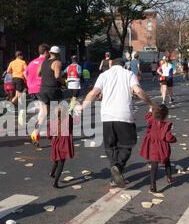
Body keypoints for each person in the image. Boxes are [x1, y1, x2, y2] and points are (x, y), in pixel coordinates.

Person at [76, 58, 158, 187]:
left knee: (111, 147)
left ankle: (114, 176)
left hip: (107, 116)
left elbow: (93, 93)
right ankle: (118, 168)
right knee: (126, 145)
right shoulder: (129, 74)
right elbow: (138, 91)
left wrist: (82, 106)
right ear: (124, 65)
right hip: (124, 115)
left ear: (110, 65)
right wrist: (151, 103)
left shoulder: (103, 75)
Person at [31, 46, 64, 147]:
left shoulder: (43, 62)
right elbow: (57, 76)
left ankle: (35, 133)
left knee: (44, 113)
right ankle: (54, 136)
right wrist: (64, 82)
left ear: (50, 52)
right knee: (57, 113)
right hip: (53, 90)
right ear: (58, 54)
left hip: (43, 90)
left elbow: (38, 73)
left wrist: (46, 77)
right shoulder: (57, 62)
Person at [139, 105, 177, 193]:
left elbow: (148, 117)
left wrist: (150, 110)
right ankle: (169, 177)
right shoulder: (166, 125)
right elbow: (168, 137)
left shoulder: (152, 120)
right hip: (163, 148)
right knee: (167, 161)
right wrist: (174, 139)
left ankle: (153, 185)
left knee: (154, 167)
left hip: (152, 147)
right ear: (166, 115)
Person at [48, 106, 74, 189]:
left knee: (57, 159)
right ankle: (55, 182)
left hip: (56, 142)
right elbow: (71, 126)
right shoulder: (68, 119)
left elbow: (49, 135)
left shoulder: (53, 121)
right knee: (61, 163)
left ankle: (52, 173)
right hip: (64, 143)